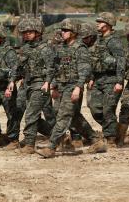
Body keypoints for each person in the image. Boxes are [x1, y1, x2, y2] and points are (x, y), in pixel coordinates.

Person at [38, 19, 95, 158]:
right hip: (62, 86)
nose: (62, 33)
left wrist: (78, 88)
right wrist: (53, 85)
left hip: (73, 86)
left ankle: (51, 147)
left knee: (64, 116)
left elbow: (85, 70)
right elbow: (56, 68)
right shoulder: (61, 48)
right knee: (72, 116)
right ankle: (95, 139)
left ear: (74, 32)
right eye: (62, 30)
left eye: (66, 30)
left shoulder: (80, 49)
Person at [8, 17, 55, 154]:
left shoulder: (46, 48)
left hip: (40, 84)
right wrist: (12, 80)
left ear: (38, 32)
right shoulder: (25, 48)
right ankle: (58, 136)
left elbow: (51, 67)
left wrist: (47, 82)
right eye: (24, 32)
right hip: (27, 84)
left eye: (30, 31)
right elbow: (18, 67)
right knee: (30, 115)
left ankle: (29, 144)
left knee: (31, 114)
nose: (26, 34)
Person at [87, 13, 125, 150]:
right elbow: (94, 60)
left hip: (111, 79)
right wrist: (91, 78)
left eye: (100, 21)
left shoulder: (114, 41)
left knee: (108, 109)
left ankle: (111, 139)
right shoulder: (99, 40)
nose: (97, 23)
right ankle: (113, 128)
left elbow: (121, 61)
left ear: (108, 23)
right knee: (94, 107)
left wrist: (119, 81)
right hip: (98, 79)